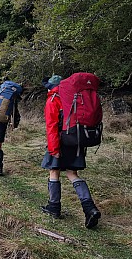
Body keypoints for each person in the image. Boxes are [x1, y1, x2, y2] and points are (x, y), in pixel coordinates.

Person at [41, 75, 101, 229]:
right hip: (77, 138)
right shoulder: (75, 96)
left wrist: (54, 150)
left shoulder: (53, 99)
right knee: (72, 174)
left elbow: (52, 126)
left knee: (54, 171)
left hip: (61, 141)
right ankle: (90, 208)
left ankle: (54, 207)